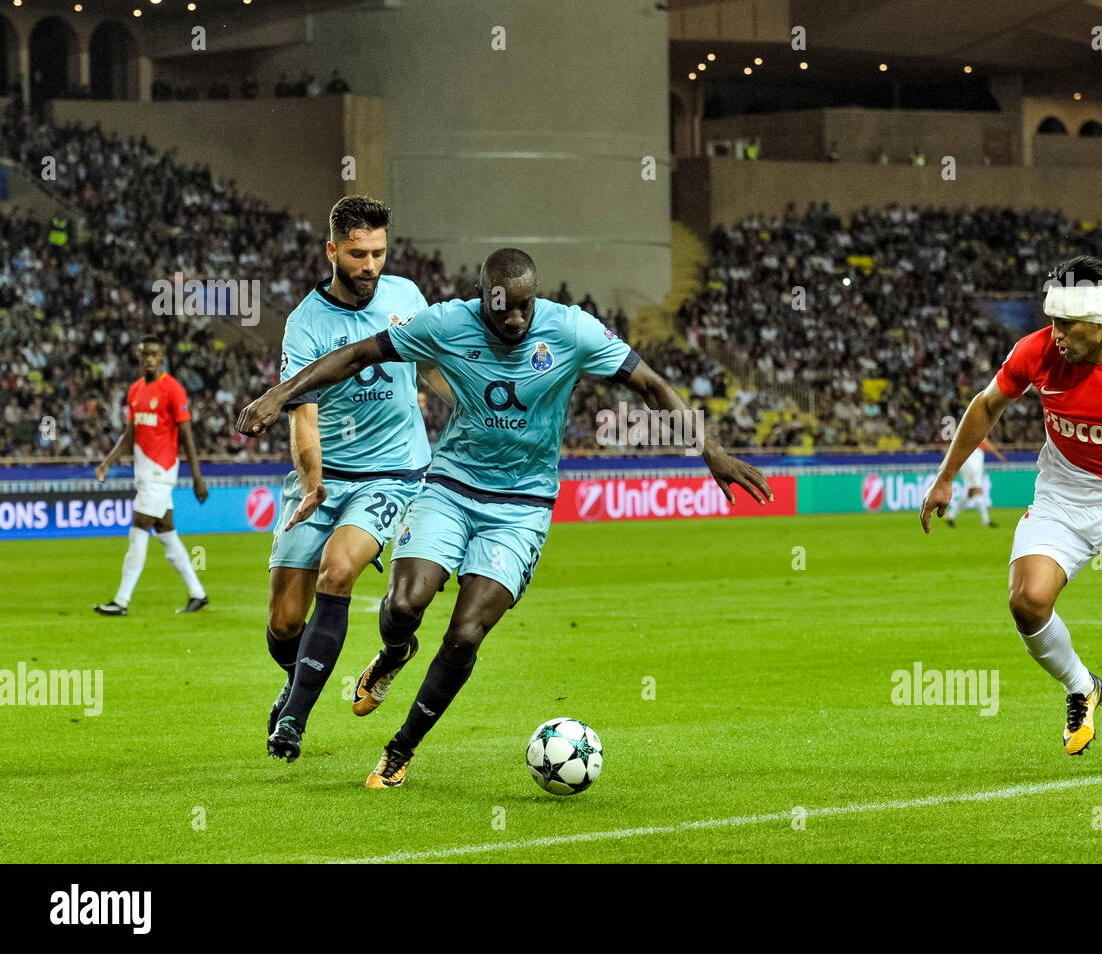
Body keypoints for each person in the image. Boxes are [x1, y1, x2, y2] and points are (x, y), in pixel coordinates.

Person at [237, 248, 772, 785]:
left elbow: (652, 384)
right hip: (449, 487)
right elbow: (357, 355)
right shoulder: (447, 322)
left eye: (524, 308)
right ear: (481, 298)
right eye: (502, 310)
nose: (515, 320)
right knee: (402, 605)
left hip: (521, 508)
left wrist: (712, 451)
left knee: (466, 633)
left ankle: (401, 749)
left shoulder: (573, 330)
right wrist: (278, 395)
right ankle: (396, 652)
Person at [920, 255, 1102, 776]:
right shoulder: (1038, 351)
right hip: (1061, 495)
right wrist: (946, 475)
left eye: (1067, 324)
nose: (1057, 334)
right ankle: (1083, 687)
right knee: (1027, 601)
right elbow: (986, 405)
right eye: (1052, 321)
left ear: (1098, 324)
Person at [258, 195, 452, 760]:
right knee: (284, 621)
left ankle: (293, 720)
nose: (370, 266)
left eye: (379, 253)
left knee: (337, 570)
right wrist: (313, 483)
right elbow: (305, 417)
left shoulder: (405, 297)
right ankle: (296, 682)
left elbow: (434, 365)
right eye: (358, 253)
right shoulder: (306, 324)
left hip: (392, 472)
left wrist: (471, 408)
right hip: (324, 474)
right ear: (332, 250)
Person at [93, 338, 209, 615]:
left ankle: (121, 601)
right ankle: (198, 593)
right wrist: (107, 462)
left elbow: (187, 435)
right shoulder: (135, 390)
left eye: (154, 354)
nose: (149, 359)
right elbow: (130, 434)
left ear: (162, 357)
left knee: (139, 528)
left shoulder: (173, 389)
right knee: (166, 533)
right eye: (145, 354)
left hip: (161, 471)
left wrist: (196, 476)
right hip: (144, 473)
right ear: (138, 355)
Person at [944, 436, 1009, 527]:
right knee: (978, 491)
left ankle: (950, 515)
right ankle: (986, 521)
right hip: (974, 463)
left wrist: (955, 465)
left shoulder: (966, 431)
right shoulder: (980, 429)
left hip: (965, 463)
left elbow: (956, 447)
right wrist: (998, 455)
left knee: (970, 494)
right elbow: (987, 444)